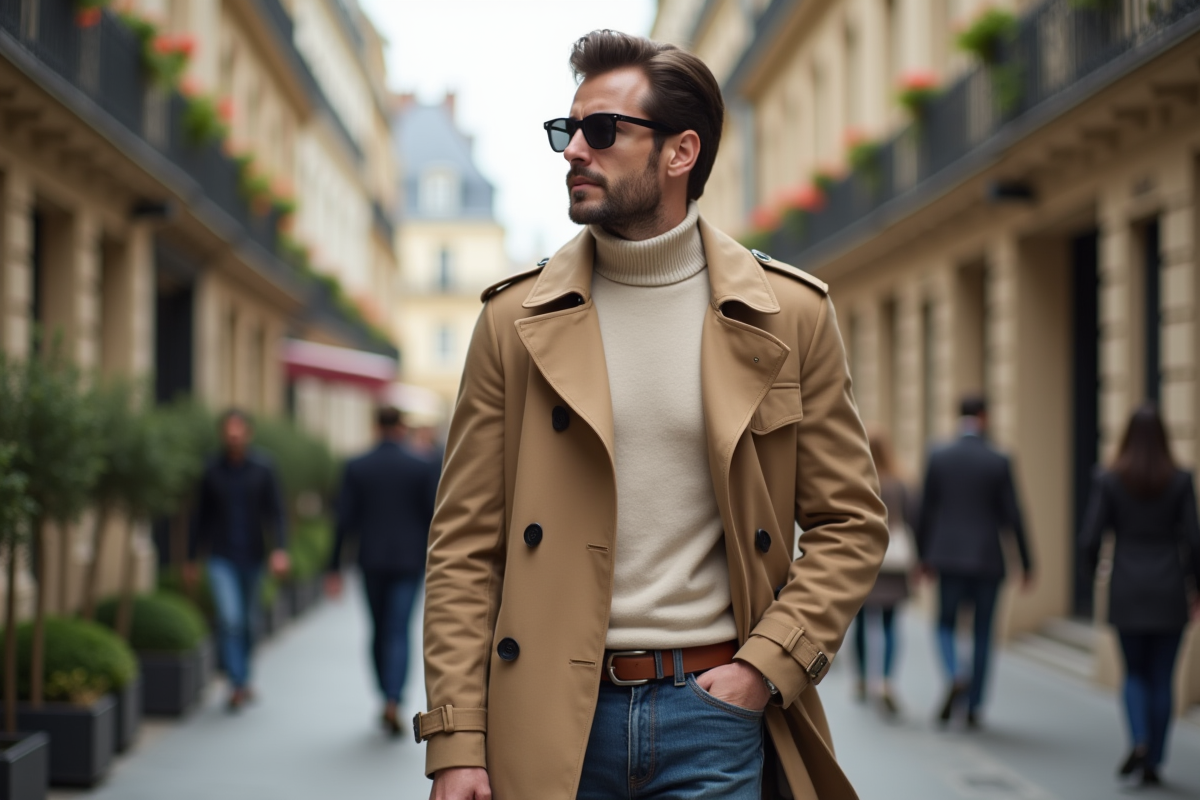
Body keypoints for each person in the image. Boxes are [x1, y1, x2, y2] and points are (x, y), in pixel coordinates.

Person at [416, 30, 889, 800]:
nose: (575, 150)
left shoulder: (786, 314)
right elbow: (464, 547)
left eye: (603, 130)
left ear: (681, 152)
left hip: (714, 715)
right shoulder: (513, 321)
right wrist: (458, 741)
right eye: (569, 130)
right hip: (548, 719)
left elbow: (851, 523)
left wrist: (763, 668)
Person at [1080, 404, 1200, 787]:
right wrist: (1196, 588)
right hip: (1169, 588)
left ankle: (1139, 740)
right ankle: (1155, 760)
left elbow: (1090, 538)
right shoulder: (1180, 480)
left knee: (1134, 673)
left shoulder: (1109, 479)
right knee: (1163, 676)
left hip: (1127, 586)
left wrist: (1096, 571)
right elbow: (1195, 541)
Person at [917, 394, 1034, 729]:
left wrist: (923, 557)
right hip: (987, 558)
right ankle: (974, 706)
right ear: (984, 416)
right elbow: (1014, 515)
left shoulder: (939, 455)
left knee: (945, 624)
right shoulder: (998, 459)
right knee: (983, 632)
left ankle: (955, 673)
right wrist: (1026, 563)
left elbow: (926, 510)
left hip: (948, 556)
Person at [326, 406, 439, 736]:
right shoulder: (422, 466)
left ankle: (385, 695)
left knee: (378, 629)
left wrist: (333, 567)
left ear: (375, 427)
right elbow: (434, 517)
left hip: (371, 560)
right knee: (398, 629)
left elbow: (343, 520)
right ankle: (393, 698)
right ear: (401, 427)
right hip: (409, 561)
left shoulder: (357, 465)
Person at [187, 409, 290, 711]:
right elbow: (200, 516)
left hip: (254, 556)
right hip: (221, 556)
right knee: (230, 619)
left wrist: (280, 549)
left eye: (238, 430)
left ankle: (244, 677)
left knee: (248, 621)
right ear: (222, 434)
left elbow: (276, 512)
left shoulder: (264, 467)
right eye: (228, 430)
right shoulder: (211, 469)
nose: (233, 435)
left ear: (248, 433)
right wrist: (191, 558)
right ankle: (236, 682)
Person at [852, 428, 918, 715]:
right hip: (894, 564)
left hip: (863, 563)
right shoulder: (901, 484)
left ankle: (862, 680)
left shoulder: (858, 483)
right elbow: (914, 522)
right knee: (891, 624)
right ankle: (887, 682)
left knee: (861, 624)